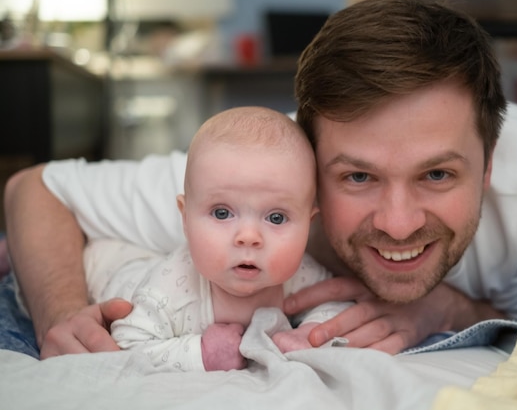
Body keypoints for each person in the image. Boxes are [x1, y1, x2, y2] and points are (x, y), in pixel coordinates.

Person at [4, 0, 517, 359]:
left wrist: (443, 308)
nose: (399, 223)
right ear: (308, 165)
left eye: (437, 174)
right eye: (358, 176)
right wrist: (60, 312)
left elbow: (515, 314)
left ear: (487, 168)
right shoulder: (259, 183)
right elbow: (34, 187)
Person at [79, 107, 349, 371]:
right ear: (185, 219)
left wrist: (310, 332)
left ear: (307, 227)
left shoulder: (300, 274)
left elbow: (336, 303)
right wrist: (201, 354)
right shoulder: (164, 291)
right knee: (104, 261)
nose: (248, 237)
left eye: (276, 218)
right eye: (222, 213)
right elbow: (127, 343)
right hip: (110, 266)